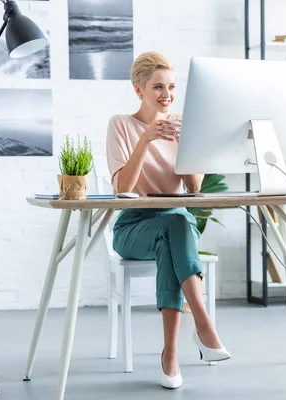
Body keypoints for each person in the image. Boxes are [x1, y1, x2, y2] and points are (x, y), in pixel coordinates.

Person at [106, 51, 230, 389]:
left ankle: (170, 354)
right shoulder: (121, 124)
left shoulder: (180, 125)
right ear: (139, 90)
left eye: (172, 87)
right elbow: (122, 189)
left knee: (175, 231)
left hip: (175, 225)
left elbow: (193, 189)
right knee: (175, 228)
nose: (167, 95)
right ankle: (204, 327)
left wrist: (188, 145)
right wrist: (146, 139)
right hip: (134, 227)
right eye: (158, 87)